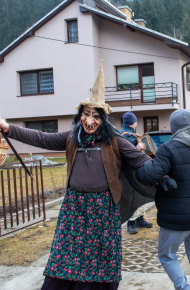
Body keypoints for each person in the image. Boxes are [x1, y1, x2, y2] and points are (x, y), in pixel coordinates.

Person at [0, 61, 175, 289]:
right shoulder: (72, 137)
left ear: (103, 119)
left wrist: (162, 178)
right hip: (74, 207)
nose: (90, 121)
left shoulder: (115, 141)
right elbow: (41, 138)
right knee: (66, 257)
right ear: (80, 115)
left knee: (100, 259)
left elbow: (142, 161)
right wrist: (8, 128)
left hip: (103, 208)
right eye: (86, 114)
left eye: (95, 115)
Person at [136, 109, 190, 290]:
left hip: (175, 217)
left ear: (174, 129)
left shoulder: (168, 149)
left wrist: (143, 161)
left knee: (167, 256)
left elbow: (148, 176)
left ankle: (184, 288)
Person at [120, 111, 153, 234]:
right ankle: (131, 223)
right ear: (133, 122)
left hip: (138, 170)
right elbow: (122, 153)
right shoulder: (124, 135)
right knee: (132, 196)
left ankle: (140, 219)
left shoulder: (131, 134)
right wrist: (137, 149)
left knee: (142, 194)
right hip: (130, 172)